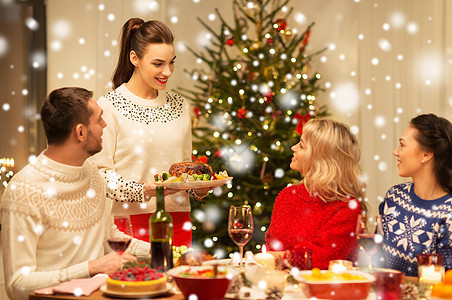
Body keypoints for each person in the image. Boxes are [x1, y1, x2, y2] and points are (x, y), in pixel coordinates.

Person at [0, 87, 150, 300]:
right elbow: (17, 286)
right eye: (99, 120)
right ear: (80, 132)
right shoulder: (23, 191)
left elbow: (109, 238)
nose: (104, 125)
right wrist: (91, 268)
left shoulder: (91, 173)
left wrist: (161, 250)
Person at [92, 18, 206, 247]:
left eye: (171, 62)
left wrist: (199, 189)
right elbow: (101, 175)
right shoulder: (109, 106)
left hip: (179, 221)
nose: (168, 71)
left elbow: (184, 165)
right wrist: (142, 191)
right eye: (158, 64)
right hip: (127, 224)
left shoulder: (180, 105)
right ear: (134, 58)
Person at [265, 118, 365, 269]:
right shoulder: (286, 196)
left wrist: (281, 257)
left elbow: (325, 258)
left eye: (301, 145)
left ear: (322, 158)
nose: (293, 147)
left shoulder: (347, 207)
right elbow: (270, 249)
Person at [378, 113, 452, 276]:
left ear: (426, 154)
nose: (395, 152)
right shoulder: (394, 197)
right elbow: (377, 261)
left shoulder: (448, 214)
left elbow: (446, 283)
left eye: (402, 145)